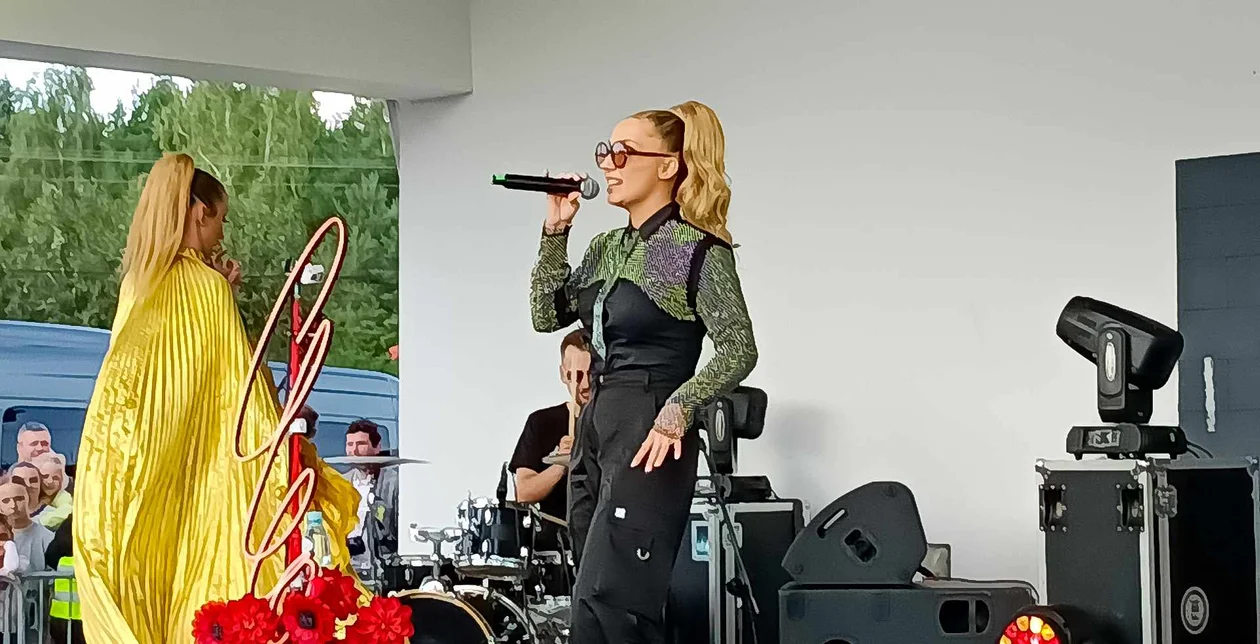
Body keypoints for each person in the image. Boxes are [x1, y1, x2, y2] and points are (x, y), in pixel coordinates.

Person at [72, 153, 361, 642]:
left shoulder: (139, 283)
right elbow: (239, 389)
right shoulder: (206, 290)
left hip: (143, 465)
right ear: (199, 212)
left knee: (153, 561)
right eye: (220, 218)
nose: (222, 232)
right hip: (210, 466)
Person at [528, 101, 758, 642]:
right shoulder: (606, 247)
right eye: (606, 151)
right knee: (588, 593)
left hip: (649, 422)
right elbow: (546, 315)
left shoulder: (692, 250)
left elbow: (738, 348)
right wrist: (555, 232)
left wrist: (679, 409)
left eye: (624, 152)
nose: (609, 164)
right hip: (599, 419)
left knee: (614, 600)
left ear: (668, 166)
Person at [509, 329, 591, 527]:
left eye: (592, 374)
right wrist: (561, 463)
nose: (585, 384)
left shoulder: (615, 423)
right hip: (555, 538)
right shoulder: (541, 422)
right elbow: (524, 492)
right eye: (576, 375)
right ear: (563, 374)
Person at [343, 420, 398, 567]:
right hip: (349, 562)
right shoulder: (342, 482)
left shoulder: (393, 483)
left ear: (377, 447)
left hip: (385, 563)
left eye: (361, 444)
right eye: (350, 444)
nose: (354, 451)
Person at [33, 453, 73, 530]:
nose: (50, 481)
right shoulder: (25, 495)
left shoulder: (63, 497)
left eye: (55, 478)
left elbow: (66, 510)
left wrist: (36, 522)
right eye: (45, 476)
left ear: (62, 480)